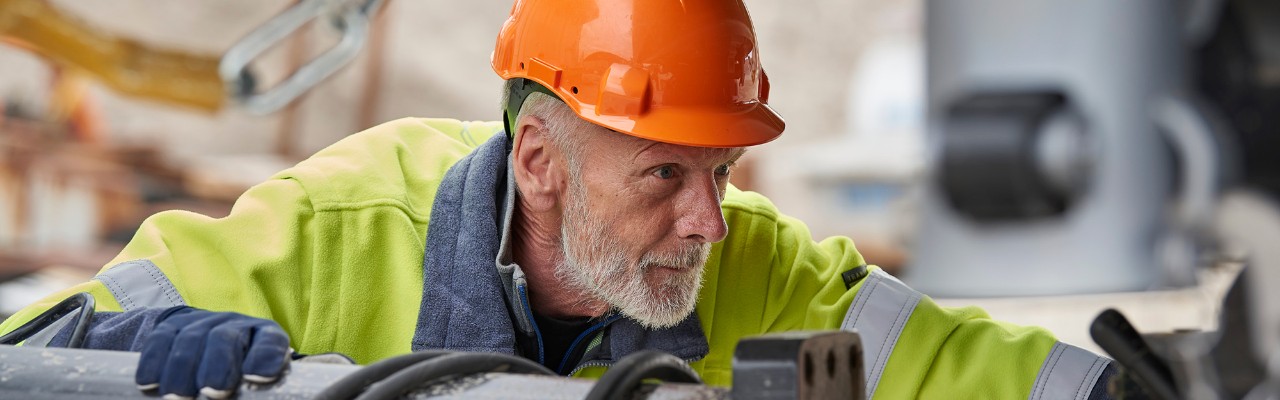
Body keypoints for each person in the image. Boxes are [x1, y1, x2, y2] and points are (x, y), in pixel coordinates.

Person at [0, 0, 1117, 398]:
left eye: (719, 172)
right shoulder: (340, 225)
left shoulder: (757, 268)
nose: (711, 221)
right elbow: (30, 344)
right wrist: (132, 344)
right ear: (538, 160)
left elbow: (976, 371)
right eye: (665, 174)